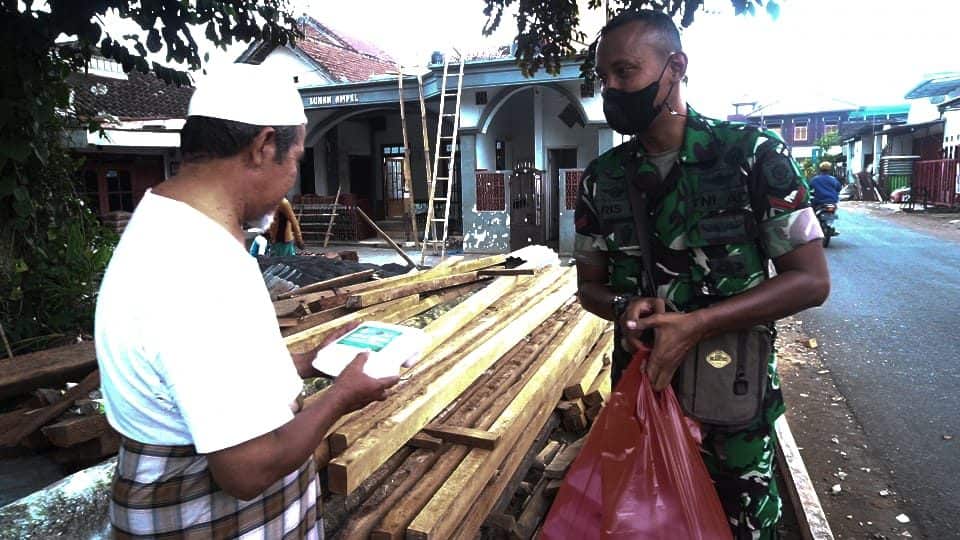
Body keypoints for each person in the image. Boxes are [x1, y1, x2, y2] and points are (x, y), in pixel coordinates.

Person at [95, 64, 398, 538]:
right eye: (296, 159)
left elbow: (196, 373)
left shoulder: (163, 221)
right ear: (262, 146)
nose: (293, 180)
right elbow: (246, 471)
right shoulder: (199, 266)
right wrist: (342, 397)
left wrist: (306, 362)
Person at [573, 10, 831, 539]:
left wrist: (700, 322)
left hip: (733, 401)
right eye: (605, 77)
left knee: (744, 529)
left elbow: (811, 280)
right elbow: (588, 287)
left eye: (625, 72)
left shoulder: (752, 156)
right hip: (646, 394)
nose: (613, 89)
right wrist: (623, 308)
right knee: (648, 524)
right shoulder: (602, 180)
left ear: (675, 67)